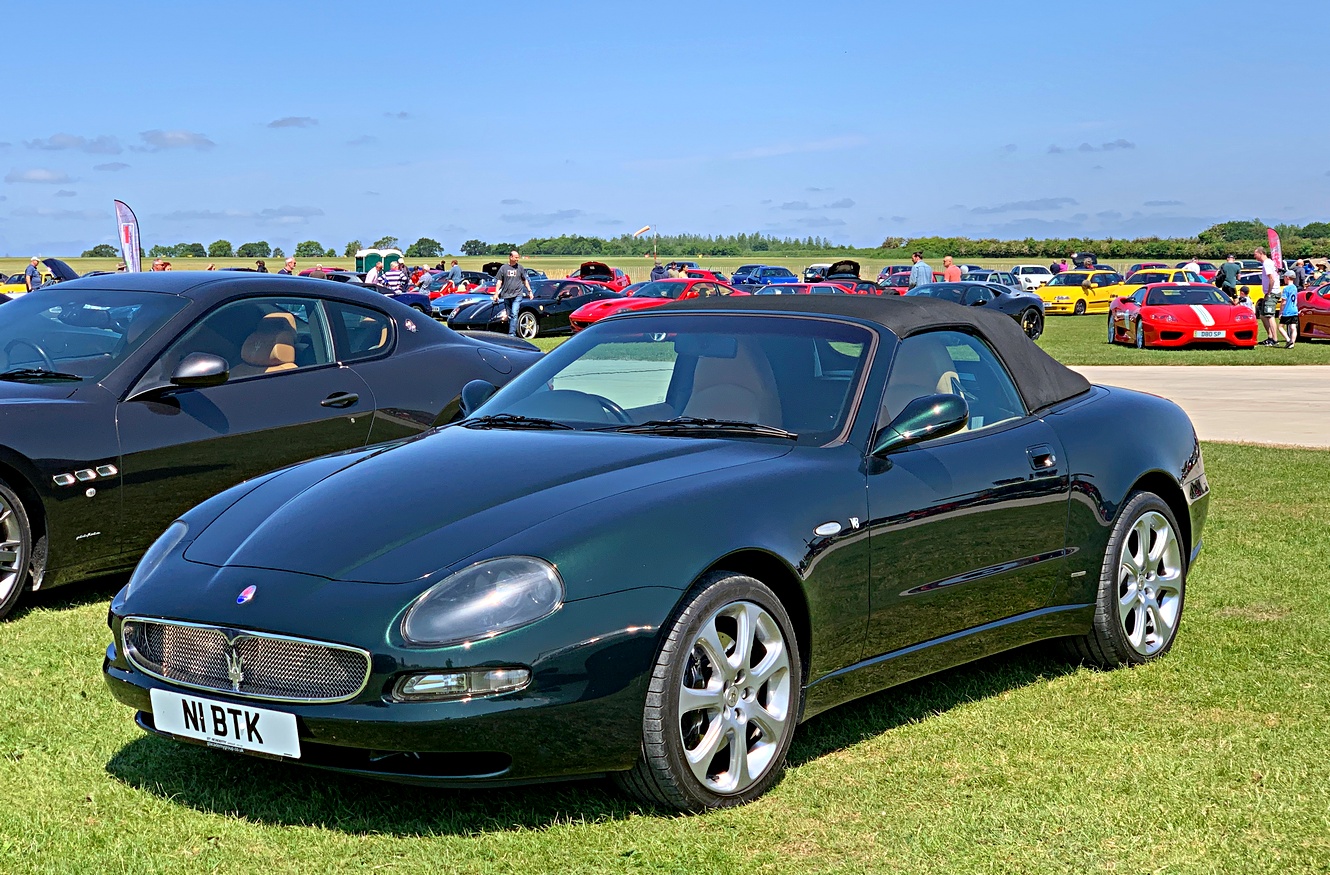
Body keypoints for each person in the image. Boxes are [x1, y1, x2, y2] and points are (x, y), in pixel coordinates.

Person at [491, 249, 534, 337]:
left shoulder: (520, 268)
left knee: (514, 313)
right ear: (510, 257)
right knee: (510, 315)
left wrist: (530, 291)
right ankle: (512, 330)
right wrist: (496, 294)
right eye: (516, 257)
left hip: (517, 294)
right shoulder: (503, 268)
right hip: (506, 295)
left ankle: (512, 334)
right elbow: (499, 281)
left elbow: (524, 280)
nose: (517, 259)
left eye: (518, 257)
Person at [1255, 280, 1281, 346]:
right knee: (1262, 316)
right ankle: (1270, 337)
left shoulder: (1268, 268)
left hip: (1271, 294)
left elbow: (1272, 279)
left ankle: (1275, 340)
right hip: (1269, 293)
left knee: (1270, 316)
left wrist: (1269, 292)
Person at [1279, 273, 1300, 348]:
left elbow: (1284, 301)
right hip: (1294, 310)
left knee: (1280, 327)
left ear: (1287, 277)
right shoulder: (1295, 287)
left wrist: (1281, 312)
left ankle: (1288, 340)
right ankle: (1292, 343)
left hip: (1287, 311)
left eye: (1284, 277)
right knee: (1293, 327)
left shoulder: (1286, 288)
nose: (1283, 279)